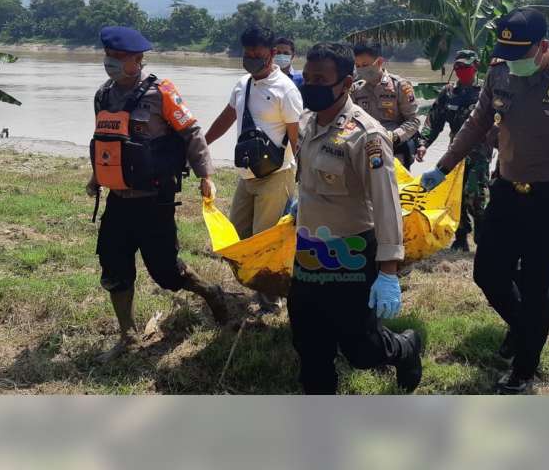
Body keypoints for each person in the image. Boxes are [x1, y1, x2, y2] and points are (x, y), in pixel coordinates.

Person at [420, 8, 549, 394]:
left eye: (521, 55)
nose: (512, 62)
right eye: (507, 54)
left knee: (536, 282)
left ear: (543, 47)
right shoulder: (500, 71)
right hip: (507, 187)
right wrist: (445, 164)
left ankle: (524, 367)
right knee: (488, 272)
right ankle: (525, 329)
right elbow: (478, 122)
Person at [288, 41, 423, 394]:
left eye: (321, 79)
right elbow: (307, 177)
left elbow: (386, 202)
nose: (310, 85)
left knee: (362, 351)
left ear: (346, 83)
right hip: (309, 251)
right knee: (309, 345)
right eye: (308, 76)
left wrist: (389, 270)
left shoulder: (368, 136)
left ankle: (405, 347)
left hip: (351, 254)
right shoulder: (306, 123)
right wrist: (299, 205)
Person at [87, 26, 227, 363]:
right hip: (118, 199)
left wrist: (205, 175)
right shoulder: (103, 95)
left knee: (166, 272)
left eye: (120, 58)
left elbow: (192, 132)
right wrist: (96, 177)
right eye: (109, 57)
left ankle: (210, 292)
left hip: (154, 200)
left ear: (137, 60)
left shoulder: (160, 91)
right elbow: (107, 144)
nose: (112, 63)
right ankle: (128, 335)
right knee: (114, 266)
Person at [205, 26, 303, 313]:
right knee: (238, 233)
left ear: (272, 54)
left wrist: (306, 180)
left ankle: (269, 300)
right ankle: (259, 286)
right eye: (247, 55)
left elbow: (297, 138)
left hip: (277, 175)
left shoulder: (286, 90)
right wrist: (201, 144)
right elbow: (227, 117)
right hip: (247, 175)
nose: (251, 60)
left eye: (257, 55)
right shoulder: (242, 84)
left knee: (265, 239)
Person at [415, 49, 494, 252]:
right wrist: (423, 143)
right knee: (455, 195)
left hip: (480, 151)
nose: (461, 70)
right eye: (458, 67)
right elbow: (434, 121)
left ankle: (482, 233)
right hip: (455, 152)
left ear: (475, 66)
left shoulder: (485, 92)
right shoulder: (449, 93)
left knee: (474, 194)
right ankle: (460, 236)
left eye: (466, 67)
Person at [350, 42, 420, 169]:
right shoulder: (355, 89)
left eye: (365, 65)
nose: (361, 69)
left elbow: (413, 120)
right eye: (358, 66)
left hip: (395, 149)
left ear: (379, 61)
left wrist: (394, 136)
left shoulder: (400, 86)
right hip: (366, 150)